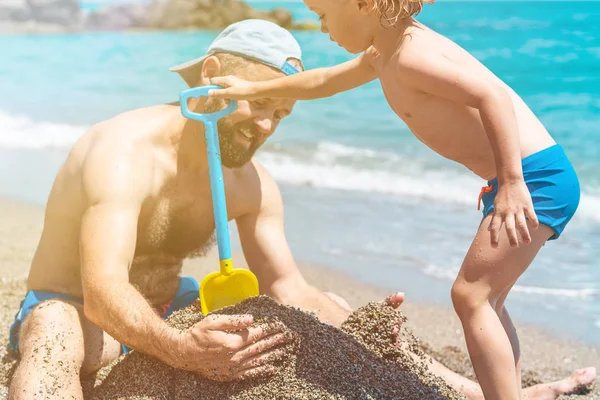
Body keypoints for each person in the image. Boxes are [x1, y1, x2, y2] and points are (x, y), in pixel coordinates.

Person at [6, 18, 594, 400]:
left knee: (328, 308)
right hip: (86, 314)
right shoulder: (121, 151)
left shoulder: (250, 183)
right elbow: (101, 287)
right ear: (212, 78)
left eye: (279, 114)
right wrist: (184, 350)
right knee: (55, 332)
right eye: (256, 103)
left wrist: (363, 328)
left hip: (174, 306)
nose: (264, 125)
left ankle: (481, 391)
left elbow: (288, 285)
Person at [207, 2, 585, 400]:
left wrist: (511, 181)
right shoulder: (383, 55)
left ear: (365, 5)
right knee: (488, 299)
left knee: (471, 295)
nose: (322, 29)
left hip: (534, 178)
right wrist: (251, 89)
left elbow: (492, 96)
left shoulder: (410, 56)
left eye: (323, 15)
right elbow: (321, 82)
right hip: (522, 177)